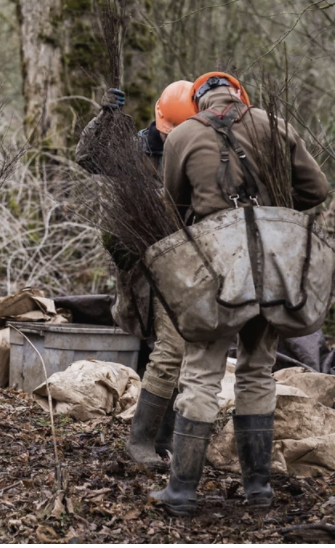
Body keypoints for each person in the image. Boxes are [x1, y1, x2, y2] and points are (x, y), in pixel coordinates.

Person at [150, 72, 329, 515]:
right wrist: (274, 211)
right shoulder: (275, 124)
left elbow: (172, 205)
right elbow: (318, 190)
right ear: (238, 95)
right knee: (257, 371)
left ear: (199, 102)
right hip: (274, 265)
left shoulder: (184, 135)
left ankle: (182, 492)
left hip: (217, 268)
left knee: (201, 373)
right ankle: (258, 490)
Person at [76, 81, 196, 470]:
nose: (172, 135)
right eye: (168, 129)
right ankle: (148, 439)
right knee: (156, 342)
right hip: (140, 263)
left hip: (186, 263)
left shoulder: (198, 148)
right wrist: (104, 117)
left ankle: (157, 439)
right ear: (159, 118)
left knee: (175, 346)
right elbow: (87, 157)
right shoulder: (138, 148)